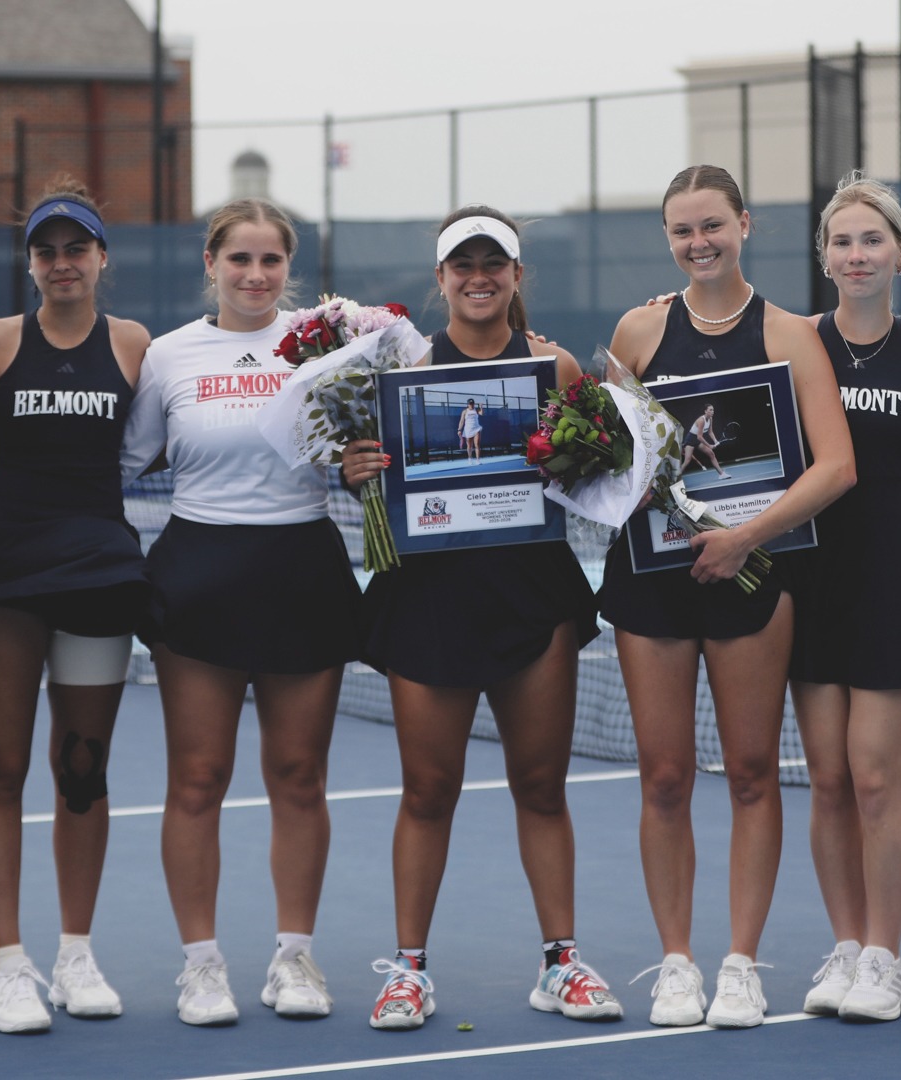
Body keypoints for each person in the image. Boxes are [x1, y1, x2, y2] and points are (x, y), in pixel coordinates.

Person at [339, 205, 621, 1031]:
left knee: (541, 787)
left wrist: (594, 449)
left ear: (516, 276)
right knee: (428, 792)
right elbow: (377, 482)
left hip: (534, 597)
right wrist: (360, 469)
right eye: (462, 266)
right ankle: (409, 972)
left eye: (492, 264)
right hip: (429, 601)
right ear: (441, 281)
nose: (478, 278)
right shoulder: (398, 374)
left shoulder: (556, 365)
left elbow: (597, 481)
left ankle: (561, 963)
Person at [600, 165, 853, 1030]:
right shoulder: (636, 332)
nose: (698, 243)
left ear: (744, 224)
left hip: (752, 578)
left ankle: (740, 964)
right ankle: (677, 962)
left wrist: (746, 537)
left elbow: (837, 465)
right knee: (664, 777)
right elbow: (615, 460)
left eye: (712, 225)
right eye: (682, 231)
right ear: (668, 238)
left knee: (751, 773)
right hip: (652, 584)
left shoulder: (790, 333)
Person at [119, 198, 356, 1024]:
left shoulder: (330, 348)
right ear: (211, 264)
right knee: (198, 778)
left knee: (298, 776)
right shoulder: (169, 356)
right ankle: (202, 966)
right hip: (199, 572)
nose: (255, 276)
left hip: (302, 567)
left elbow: (380, 431)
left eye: (271, 262)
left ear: (289, 270)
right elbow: (122, 456)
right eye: (240, 260)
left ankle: (296, 958)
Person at [0, 179, 152, 1034]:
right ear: (31, 264)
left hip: (99, 573)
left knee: (82, 769)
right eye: (47, 250)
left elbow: (189, 429)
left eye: (77, 249)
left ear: (101, 258)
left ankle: (75, 954)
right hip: (1, 578)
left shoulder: (137, 346)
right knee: (0, 768)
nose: (62, 263)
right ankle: (7, 966)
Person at [787, 175, 901, 1023]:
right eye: (842, 243)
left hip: (897, 576)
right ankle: (849, 945)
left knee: (876, 777)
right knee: (825, 781)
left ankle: (888, 959)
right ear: (824, 258)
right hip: (811, 579)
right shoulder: (792, 344)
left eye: (872, 240)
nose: (857, 255)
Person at [682, 404, 730, 478]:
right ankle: (676, 478)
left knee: (711, 454)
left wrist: (715, 441)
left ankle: (721, 474)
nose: (712, 411)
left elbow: (710, 432)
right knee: (687, 460)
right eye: (710, 410)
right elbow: (699, 437)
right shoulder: (701, 420)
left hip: (697, 440)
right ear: (705, 411)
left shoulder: (710, 419)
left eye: (713, 410)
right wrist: (709, 445)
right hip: (690, 440)